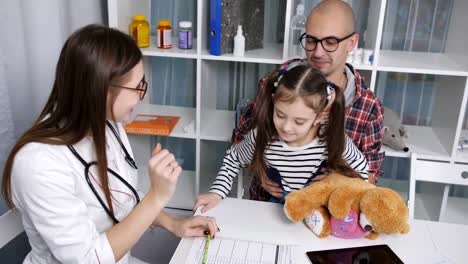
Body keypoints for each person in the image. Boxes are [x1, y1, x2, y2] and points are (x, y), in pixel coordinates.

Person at [1, 24, 217, 264]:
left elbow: (125, 196)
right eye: (137, 88)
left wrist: (175, 224)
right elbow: (88, 259)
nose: (141, 96)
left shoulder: (107, 124)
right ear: (101, 90)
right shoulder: (38, 164)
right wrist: (157, 196)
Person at [232, 0, 384, 201]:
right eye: (311, 40)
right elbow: (240, 140)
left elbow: (370, 176)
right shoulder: (278, 82)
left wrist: (330, 186)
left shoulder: (368, 107)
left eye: (330, 42)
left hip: (328, 217)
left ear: (352, 43)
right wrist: (260, 171)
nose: (317, 52)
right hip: (267, 207)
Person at [194, 63, 369, 212]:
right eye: (280, 114)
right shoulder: (263, 136)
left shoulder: (332, 140)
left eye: (299, 121)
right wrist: (216, 193)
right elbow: (234, 158)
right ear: (273, 101)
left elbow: (363, 171)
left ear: (320, 117)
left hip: (317, 213)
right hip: (273, 213)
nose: (286, 127)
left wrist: (335, 183)